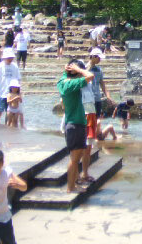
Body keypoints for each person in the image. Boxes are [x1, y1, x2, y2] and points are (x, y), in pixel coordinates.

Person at [57, 59, 94, 193]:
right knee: (74, 159)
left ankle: (72, 185)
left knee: (75, 158)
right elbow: (90, 76)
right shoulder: (73, 84)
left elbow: (65, 74)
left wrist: (68, 69)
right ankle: (70, 188)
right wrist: (79, 70)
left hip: (71, 123)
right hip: (76, 124)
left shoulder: (62, 82)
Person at [0, 48, 20, 124]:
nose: (10, 59)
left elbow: (18, 79)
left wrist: (19, 92)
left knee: (9, 111)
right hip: (1, 92)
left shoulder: (15, 66)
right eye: (9, 58)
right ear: (4, 57)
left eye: (11, 58)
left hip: (12, 93)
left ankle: (6, 125)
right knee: (0, 110)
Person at [88, 48, 110, 117]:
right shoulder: (84, 68)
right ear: (94, 57)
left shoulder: (99, 69)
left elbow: (102, 84)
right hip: (88, 99)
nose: (100, 60)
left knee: (97, 119)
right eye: (99, 58)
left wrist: (108, 96)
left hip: (97, 98)